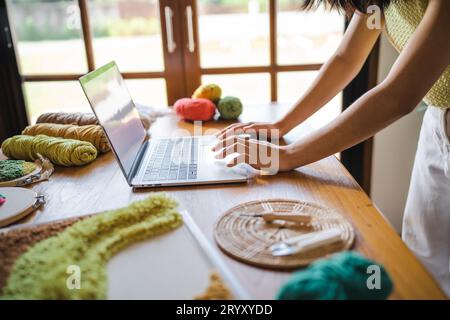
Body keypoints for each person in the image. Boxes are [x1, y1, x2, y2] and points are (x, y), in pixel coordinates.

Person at [213, 0, 450, 296]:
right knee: (422, 263)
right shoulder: (379, 3)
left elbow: (398, 96)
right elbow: (346, 58)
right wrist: (282, 125)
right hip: (438, 124)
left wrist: (288, 156)